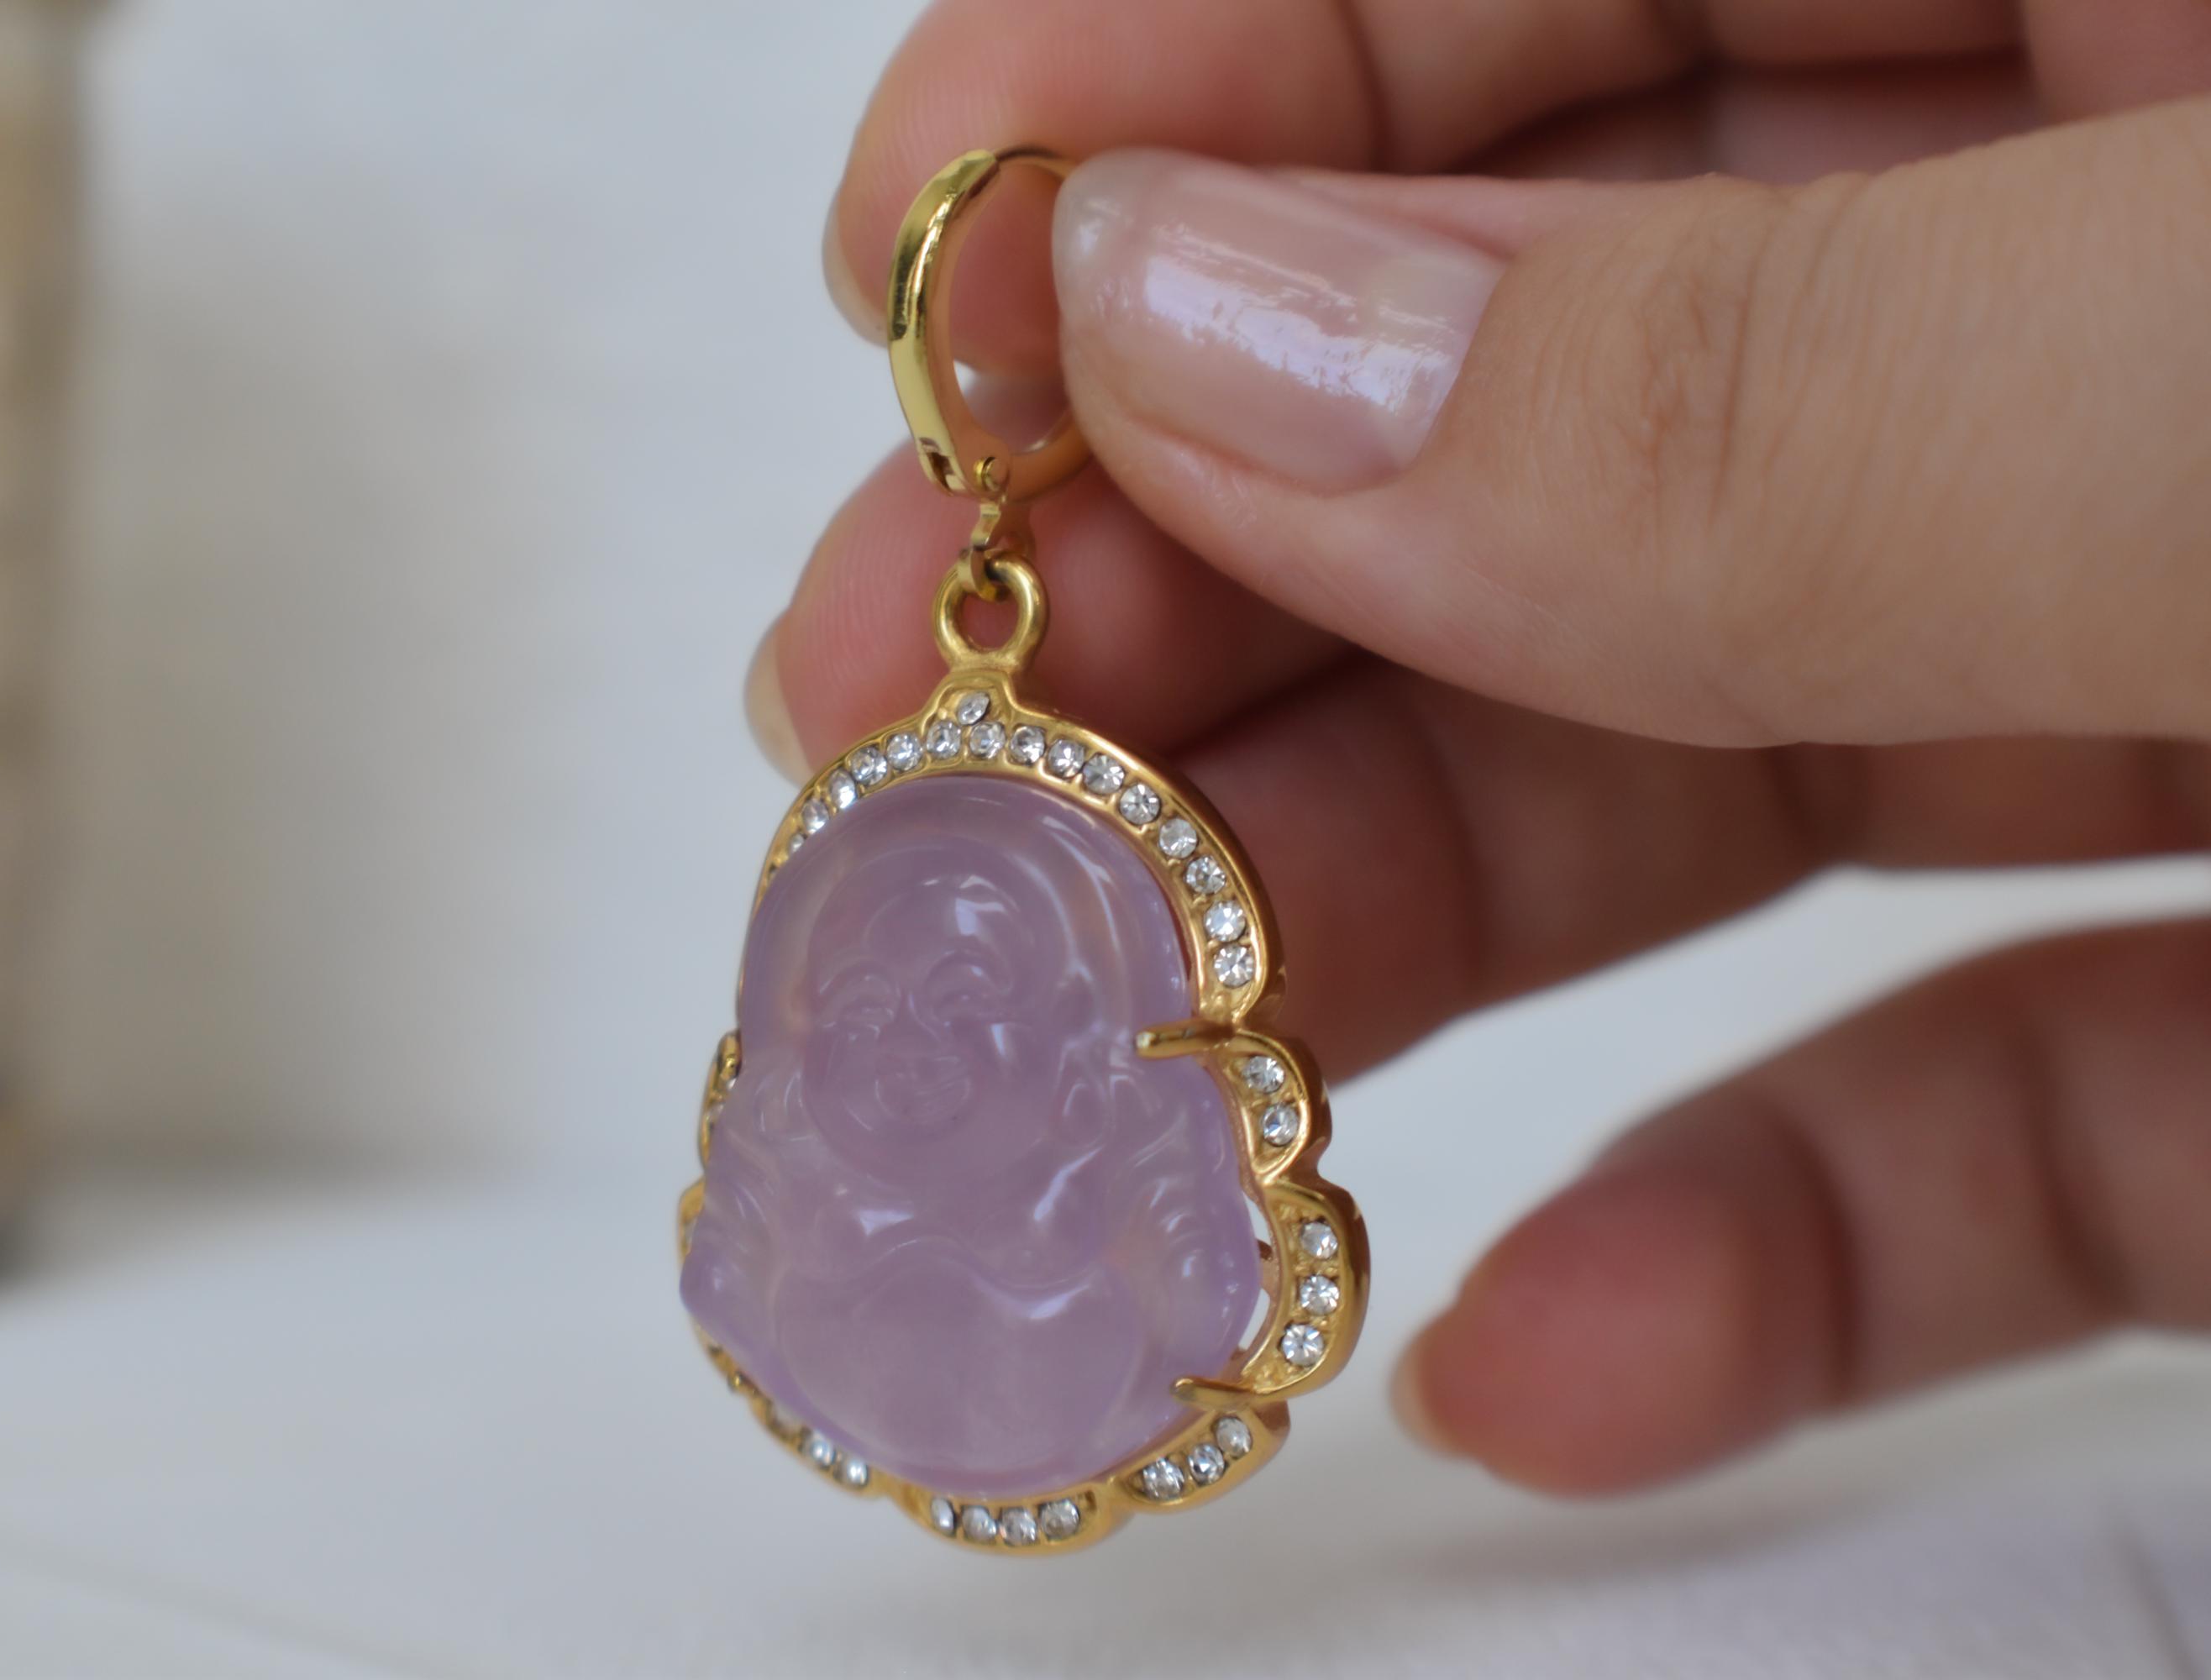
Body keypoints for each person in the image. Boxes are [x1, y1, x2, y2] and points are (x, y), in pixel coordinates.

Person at [741, 0, 2211, 1498]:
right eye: (856, 1003)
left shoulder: (1100, 1218)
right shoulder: (805, 1221)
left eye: (966, 998)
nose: (901, 1042)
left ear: (1076, 1054)